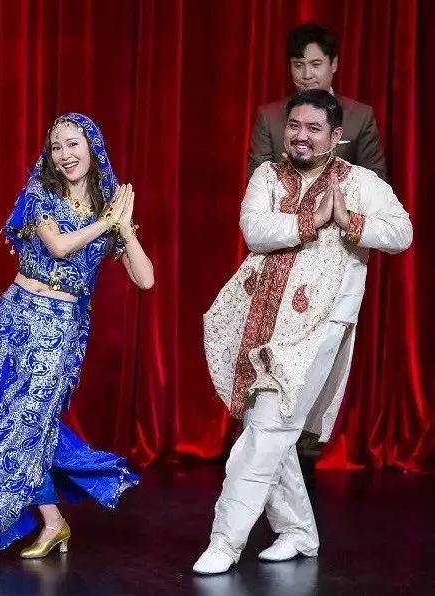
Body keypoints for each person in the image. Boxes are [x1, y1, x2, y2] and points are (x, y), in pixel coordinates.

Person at [194, 90, 411, 574]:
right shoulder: (267, 176)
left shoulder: (360, 183)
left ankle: (225, 541)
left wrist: (350, 220)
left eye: (314, 128)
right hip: (260, 319)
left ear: (336, 136)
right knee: (267, 429)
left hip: (320, 325)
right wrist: (312, 220)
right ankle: (298, 532)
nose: (301, 136)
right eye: (294, 126)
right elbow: (254, 230)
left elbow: (402, 232)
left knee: (269, 427)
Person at [0, 112, 154, 573]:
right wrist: (106, 222)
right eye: (57, 147)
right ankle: (53, 520)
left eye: (73, 144)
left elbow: (146, 278)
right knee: (0, 417)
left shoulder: (110, 209)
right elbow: (58, 246)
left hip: (59, 328)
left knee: (24, 422)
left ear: (92, 147)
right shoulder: (41, 191)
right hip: (14, 315)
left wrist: (123, 228)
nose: (64, 155)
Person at [248, 23, 387, 180]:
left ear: (334, 64)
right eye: (298, 65)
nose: (307, 75)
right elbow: (256, 180)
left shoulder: (360, 117)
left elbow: (376, 179)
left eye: (315, 64)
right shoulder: (268, 117)